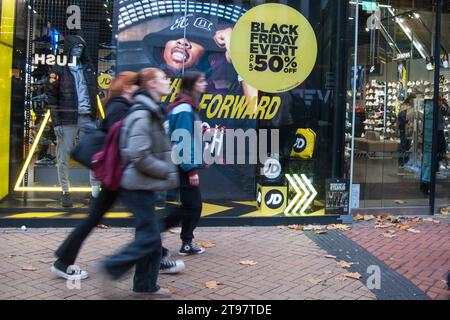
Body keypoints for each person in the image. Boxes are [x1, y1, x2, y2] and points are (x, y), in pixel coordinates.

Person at [101, 68, 179, 298]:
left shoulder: (152, 109)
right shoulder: (143, 113)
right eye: (163, 79)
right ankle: (112, 266)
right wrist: (165, 170)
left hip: (145, 183)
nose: (168, 82)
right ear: (152, 84)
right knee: (150, 237)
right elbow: (138, 153)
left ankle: (145, 286)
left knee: (151, 237)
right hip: (137, 185)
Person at [46, 35, 101, 207]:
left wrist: (96, 116)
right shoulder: (59, 69)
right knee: (63, 156)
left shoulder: (88, 68)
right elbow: (52, 97)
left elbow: (93, 93)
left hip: (87, 117)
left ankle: (94, 192)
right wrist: (56, 122)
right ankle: (65, 191)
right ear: (68, 49)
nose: (78, 50)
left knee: (94, 155)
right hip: (67, 118)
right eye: (75, 47)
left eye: (81, 47)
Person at [164, 71, 208, 256]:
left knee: (190, 204)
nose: (205, 83)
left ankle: (186, 241)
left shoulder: (186, 107)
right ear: (192, 85)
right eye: (201, 81)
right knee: (193, 205)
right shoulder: (185, 108)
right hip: (181, 165)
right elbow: (182, 140)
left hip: (179, 163)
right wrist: (191, 170)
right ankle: (182, 241)